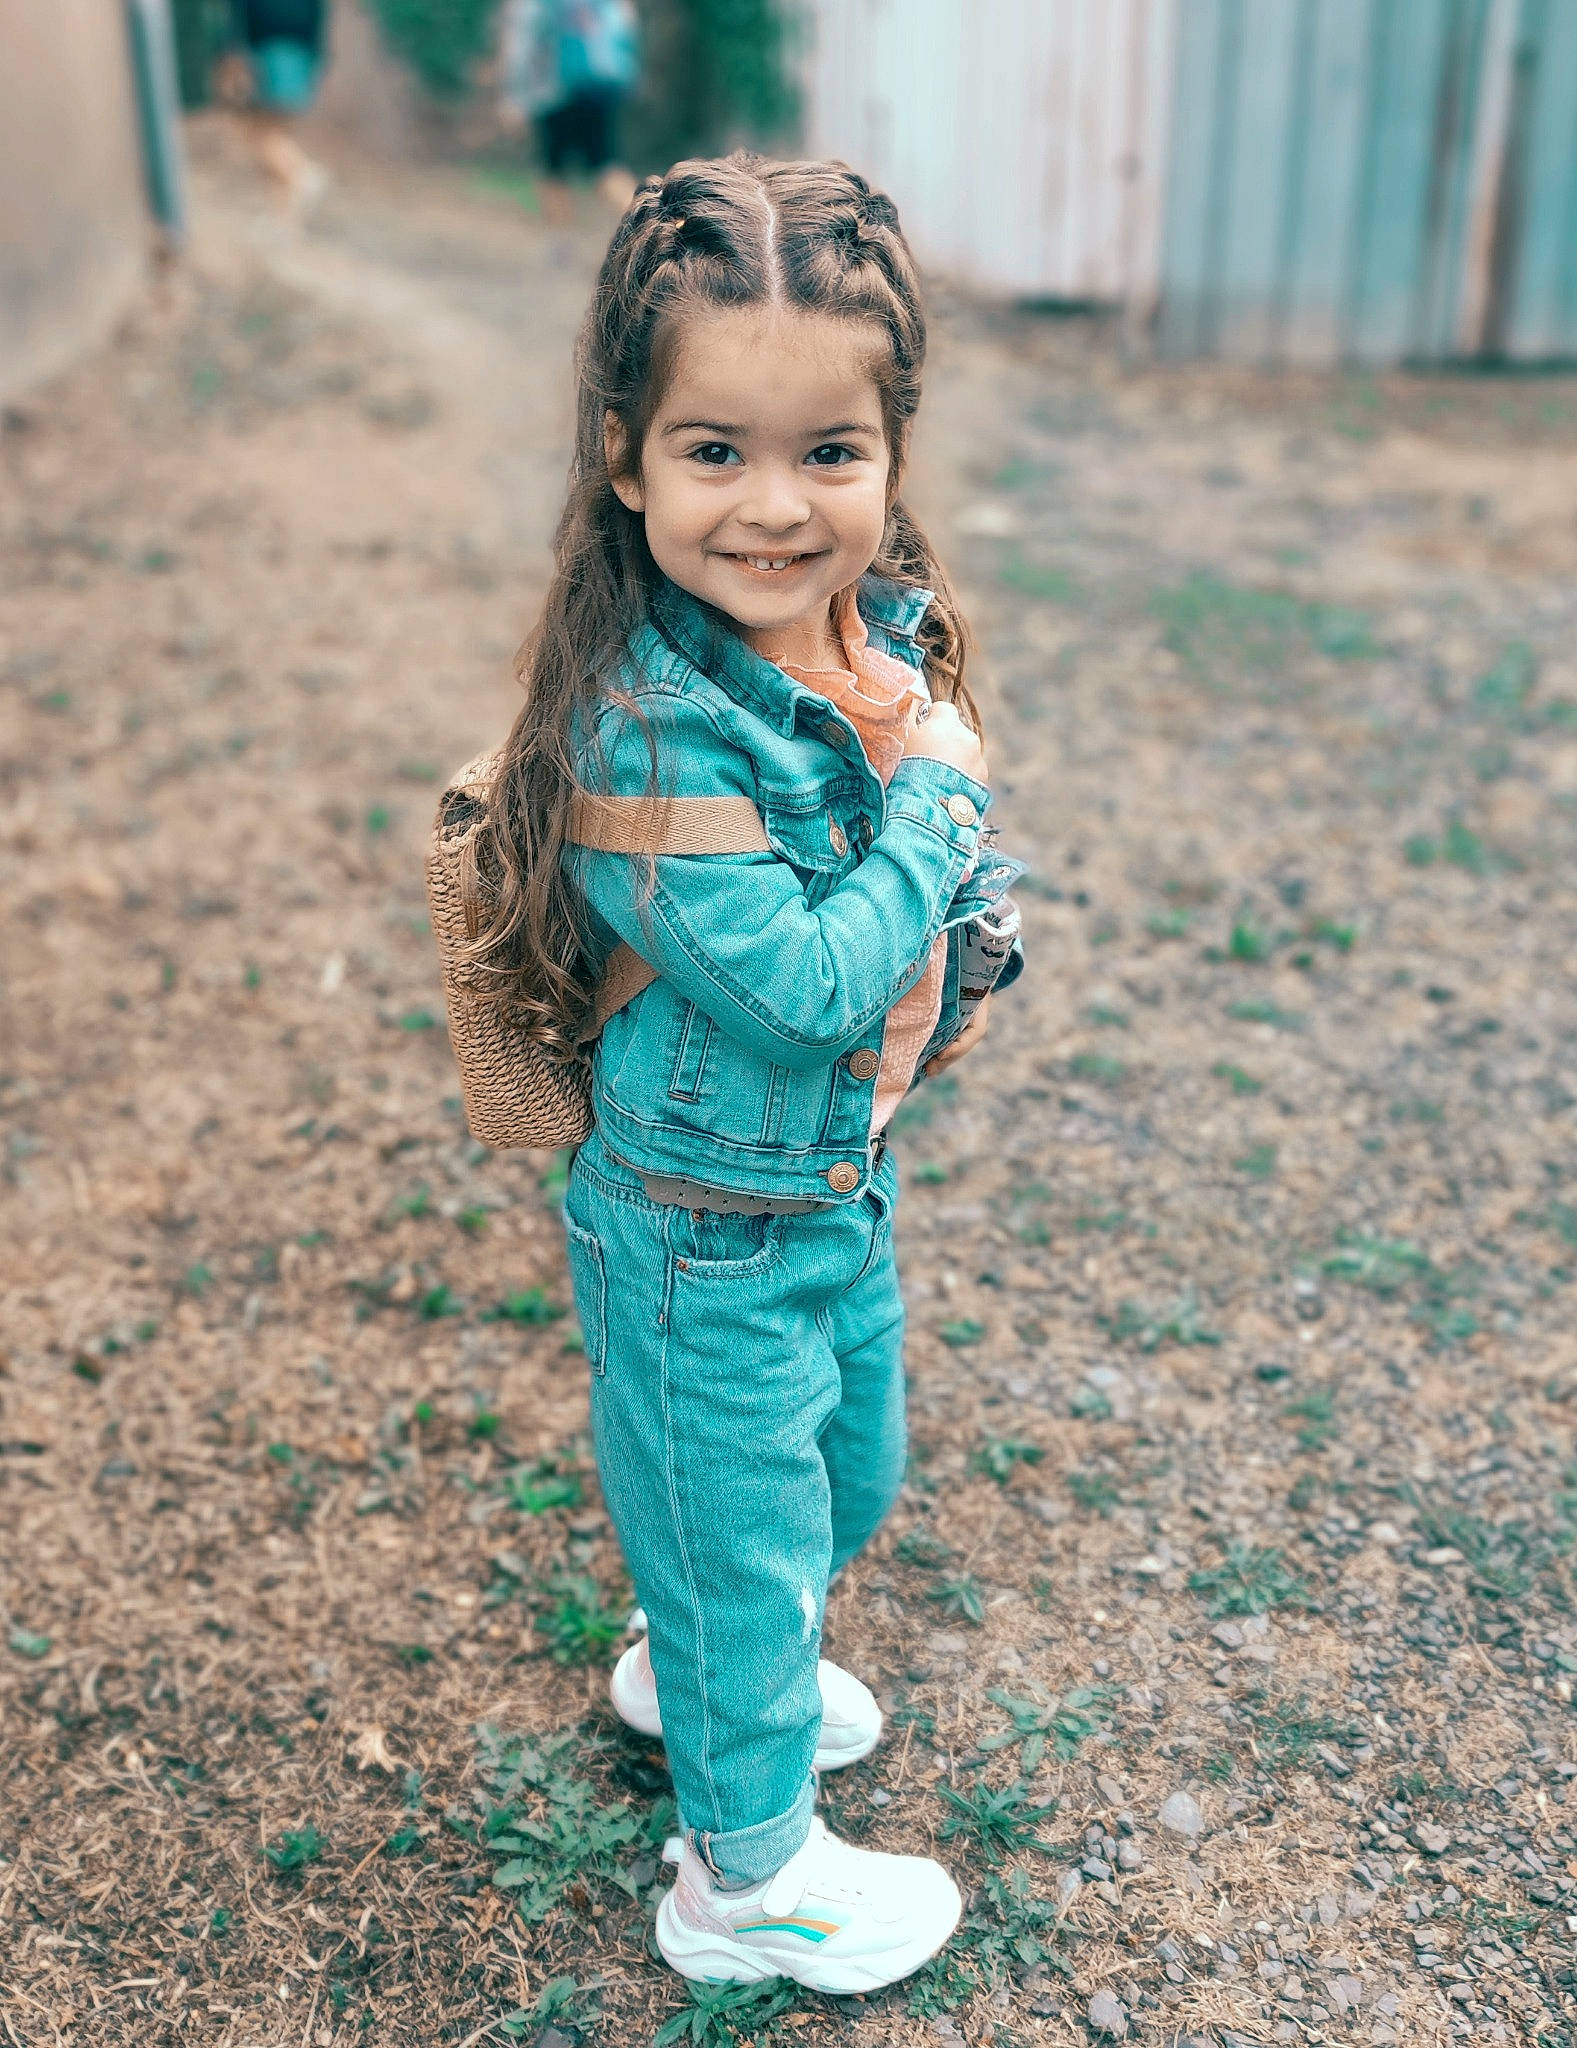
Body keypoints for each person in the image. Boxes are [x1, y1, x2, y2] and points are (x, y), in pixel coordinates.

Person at [467, 154, 1021, 1993]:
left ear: (890, 446)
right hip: (698, 1230)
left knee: (838, 1485)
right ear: (624, 452)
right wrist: (942, 812)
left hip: (824, 1191)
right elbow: (797, 981)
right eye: (715, 450)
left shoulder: (881, 632)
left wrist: (964, 883)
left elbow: (931, 917)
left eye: (827, 454)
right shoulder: (642, 716)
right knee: (750, 1530)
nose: (775, 506)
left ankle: (692, 1646)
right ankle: (746, 1877)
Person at [498, 0, 639, 219]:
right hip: (598, 86)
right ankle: (649, 220)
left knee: (554, 171)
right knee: (607, 166)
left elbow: (522, 44)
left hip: (554, 92)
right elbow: (625, 24)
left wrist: (515, 99)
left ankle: (561, 247)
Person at [222, 0, 329, 214]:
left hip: (270, 49)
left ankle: (303, 175)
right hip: (298, 49)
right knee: (276, 131)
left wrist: (230, 47)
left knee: (263, 134)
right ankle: (282, 212)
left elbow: (238, 12)